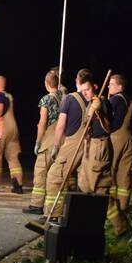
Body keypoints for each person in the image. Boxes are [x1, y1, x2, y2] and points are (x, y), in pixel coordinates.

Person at [43, 69, 111, 221]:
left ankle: (53, 215)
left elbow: (61, 126)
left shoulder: (96, 102)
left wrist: (56, 146)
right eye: (84, 89)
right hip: (88, 146)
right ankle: (79, 218)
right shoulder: (89, 102)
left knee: (57, 176)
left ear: (95, 86)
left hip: (92, 147)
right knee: (85, 185)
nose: (85, 92)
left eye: (88, 89)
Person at [23, 69, 63, 213]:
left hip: (49, 138)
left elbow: (42, 122)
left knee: (41, 171)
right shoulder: (64, 97)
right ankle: (55, 208)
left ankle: (37, 205)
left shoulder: (46, 99)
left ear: (46, 83)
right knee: (56, 175)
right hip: (63, 139)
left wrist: (38, 142)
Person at [104, 74, 132, 237]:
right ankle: (123, 207)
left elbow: (112, 122)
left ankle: (115, 212)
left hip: (116, 137)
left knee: (112, 172)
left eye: (112, 84)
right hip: (128, 137)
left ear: (120, 87)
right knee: (124, 174)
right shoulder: (129, 100)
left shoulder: (116, 100)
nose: (109, 87)